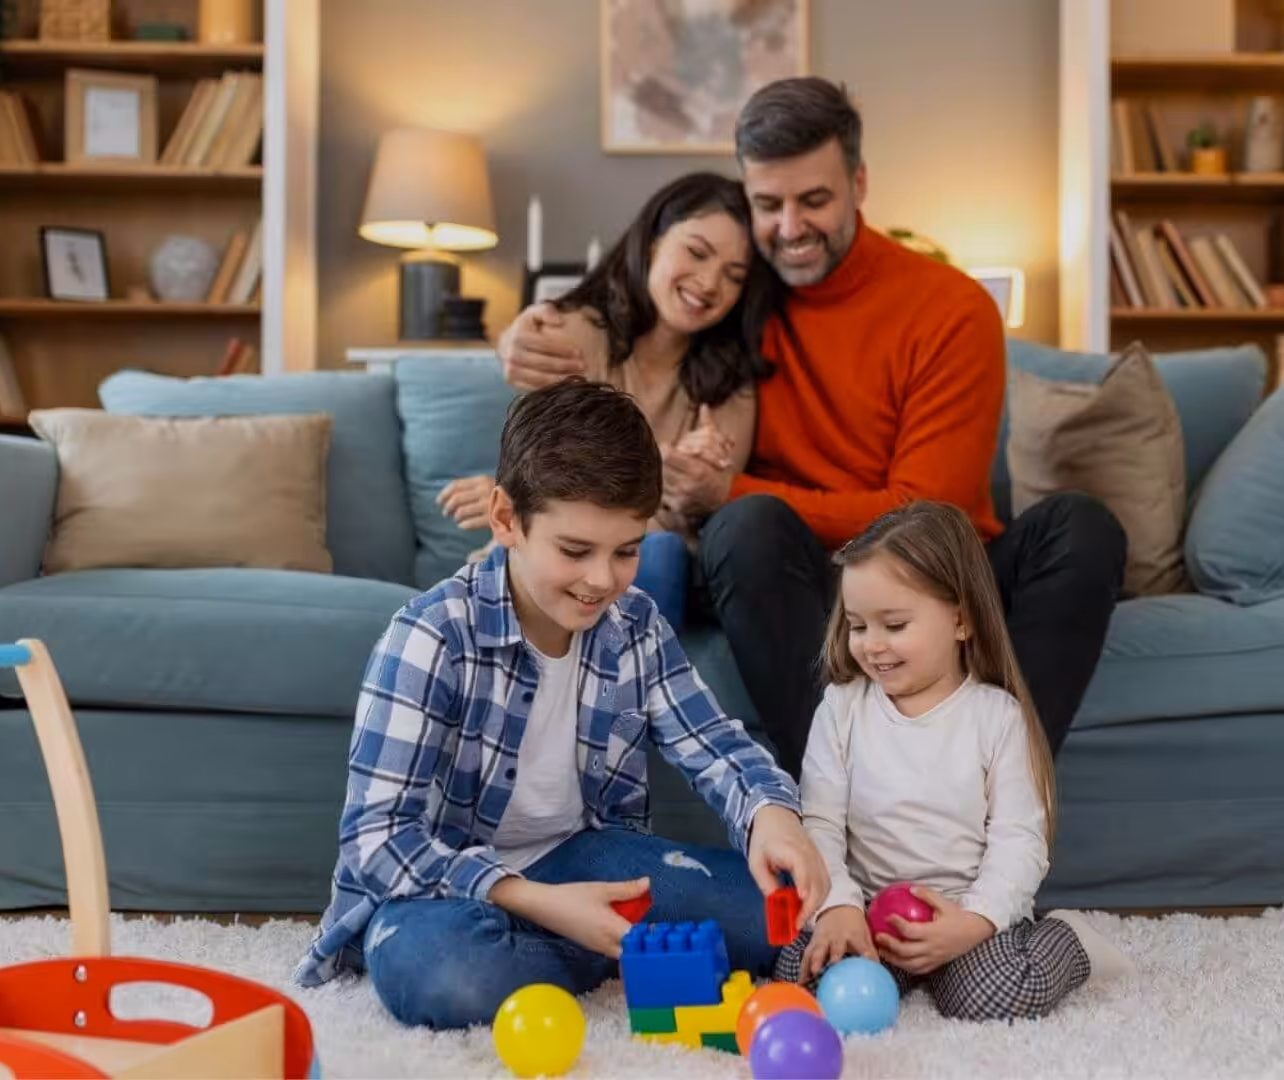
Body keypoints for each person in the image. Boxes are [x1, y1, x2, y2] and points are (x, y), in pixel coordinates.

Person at [499, 77, 1127, 777]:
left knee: (1081, 526)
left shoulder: (950, 307)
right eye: (768, 204)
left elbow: (930, 512)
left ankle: (1004, 788)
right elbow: (630, 320)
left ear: (859, 183)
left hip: (936, 571)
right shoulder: (737, 297)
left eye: (815, 200)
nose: (790, 228)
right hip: (790, 583)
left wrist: (726, 491)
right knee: (745, 529)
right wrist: (524, 332)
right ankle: (844, 793)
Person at [294, 378, 830, 1030]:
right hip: (447, 891)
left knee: (777, 916)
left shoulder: (633, 624)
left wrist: (771, 815)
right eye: (575, 551)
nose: (602, 579)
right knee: (450, 979)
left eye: (626, 551)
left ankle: (585, 947)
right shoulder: (431, 637)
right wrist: (539, 902)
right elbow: (376, 841)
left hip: (585, 859)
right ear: (505, 520)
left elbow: (714, 745)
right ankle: (591, 947)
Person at [774, 500, 1132, 1020]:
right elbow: (821, 824)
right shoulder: (842, 708)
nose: (872, 646)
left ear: (961, 620)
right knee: (799, 977)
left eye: (893, 625)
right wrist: (841, 909)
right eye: (857, 626)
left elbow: (1019, 839)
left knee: (997, 994)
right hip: (873, 913)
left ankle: (1069, 939)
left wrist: (976, 921)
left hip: (963, 913)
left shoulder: (996, 717)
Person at [438, 172, 783, 629]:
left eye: (733, 276)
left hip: (653, 562)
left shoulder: (731, 381)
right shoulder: (576, 336)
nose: (708, 282)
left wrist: (699, 486)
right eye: (697, 253)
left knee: (657, 552)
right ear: (653, 243)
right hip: (553, 553)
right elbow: (544, 470)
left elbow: (699, 512)